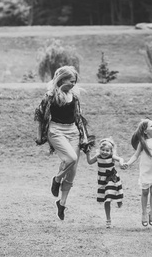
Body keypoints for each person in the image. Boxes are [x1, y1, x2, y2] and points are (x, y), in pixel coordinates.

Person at [34, 65, 94, 221]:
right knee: (71, 158)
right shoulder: (50, 96)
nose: (73, 84)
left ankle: (61, 203)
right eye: (71, 81)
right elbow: (40, 117)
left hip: (73, 131)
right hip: (56, 131)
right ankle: (57, 179)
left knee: (72, 170)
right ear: (61, 80)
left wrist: (84, 137)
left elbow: (78, 117)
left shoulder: (74, 97)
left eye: (75, 81)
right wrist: (40, 136)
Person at [121, 119, 152, 227]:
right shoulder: (142, 143)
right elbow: (135, 155)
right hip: (146, 169)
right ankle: (144, 213)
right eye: (151, 126)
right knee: (144, 192)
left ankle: (151, 212)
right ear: (145, 131)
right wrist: (128, 163)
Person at [86, 138, 124, 228]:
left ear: (111, 151)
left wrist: (122, 163)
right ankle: (108, 219)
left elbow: (120, 159)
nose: (104, 152)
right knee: (107, 199)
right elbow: (90, 162)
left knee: (109, 196)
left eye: (107, 150)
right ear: (100, 150)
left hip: (112, 178)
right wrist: (88, 154)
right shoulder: (98, 156)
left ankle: (117, 200)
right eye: (103, 150)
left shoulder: (111, 157)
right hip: (102, 180)